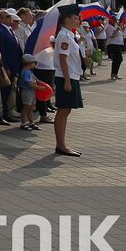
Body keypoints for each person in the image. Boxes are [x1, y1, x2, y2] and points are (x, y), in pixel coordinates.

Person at [53, 10, 84, 157]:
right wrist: (66, 80)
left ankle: (62, 144)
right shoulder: (64, 36)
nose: (78, 20)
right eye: (75, 17)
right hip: (67, 76)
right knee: (63, 110)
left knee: (66, 110)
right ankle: (61, 145)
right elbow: (63, 59)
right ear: (66, 19)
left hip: (72, 76)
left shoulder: (69, 35)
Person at [17, 54, 40, 131]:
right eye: (34, 63)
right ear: (29, 63)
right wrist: (38, 87)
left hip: (32, 92)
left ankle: (31, 123)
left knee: (31, 108)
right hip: (27, 92)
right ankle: (23, 123)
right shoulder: (25, 72)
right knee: (26, 108)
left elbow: (35, 80)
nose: (35, 65)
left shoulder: (30, 72)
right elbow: (29, 83)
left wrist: (41, 83)